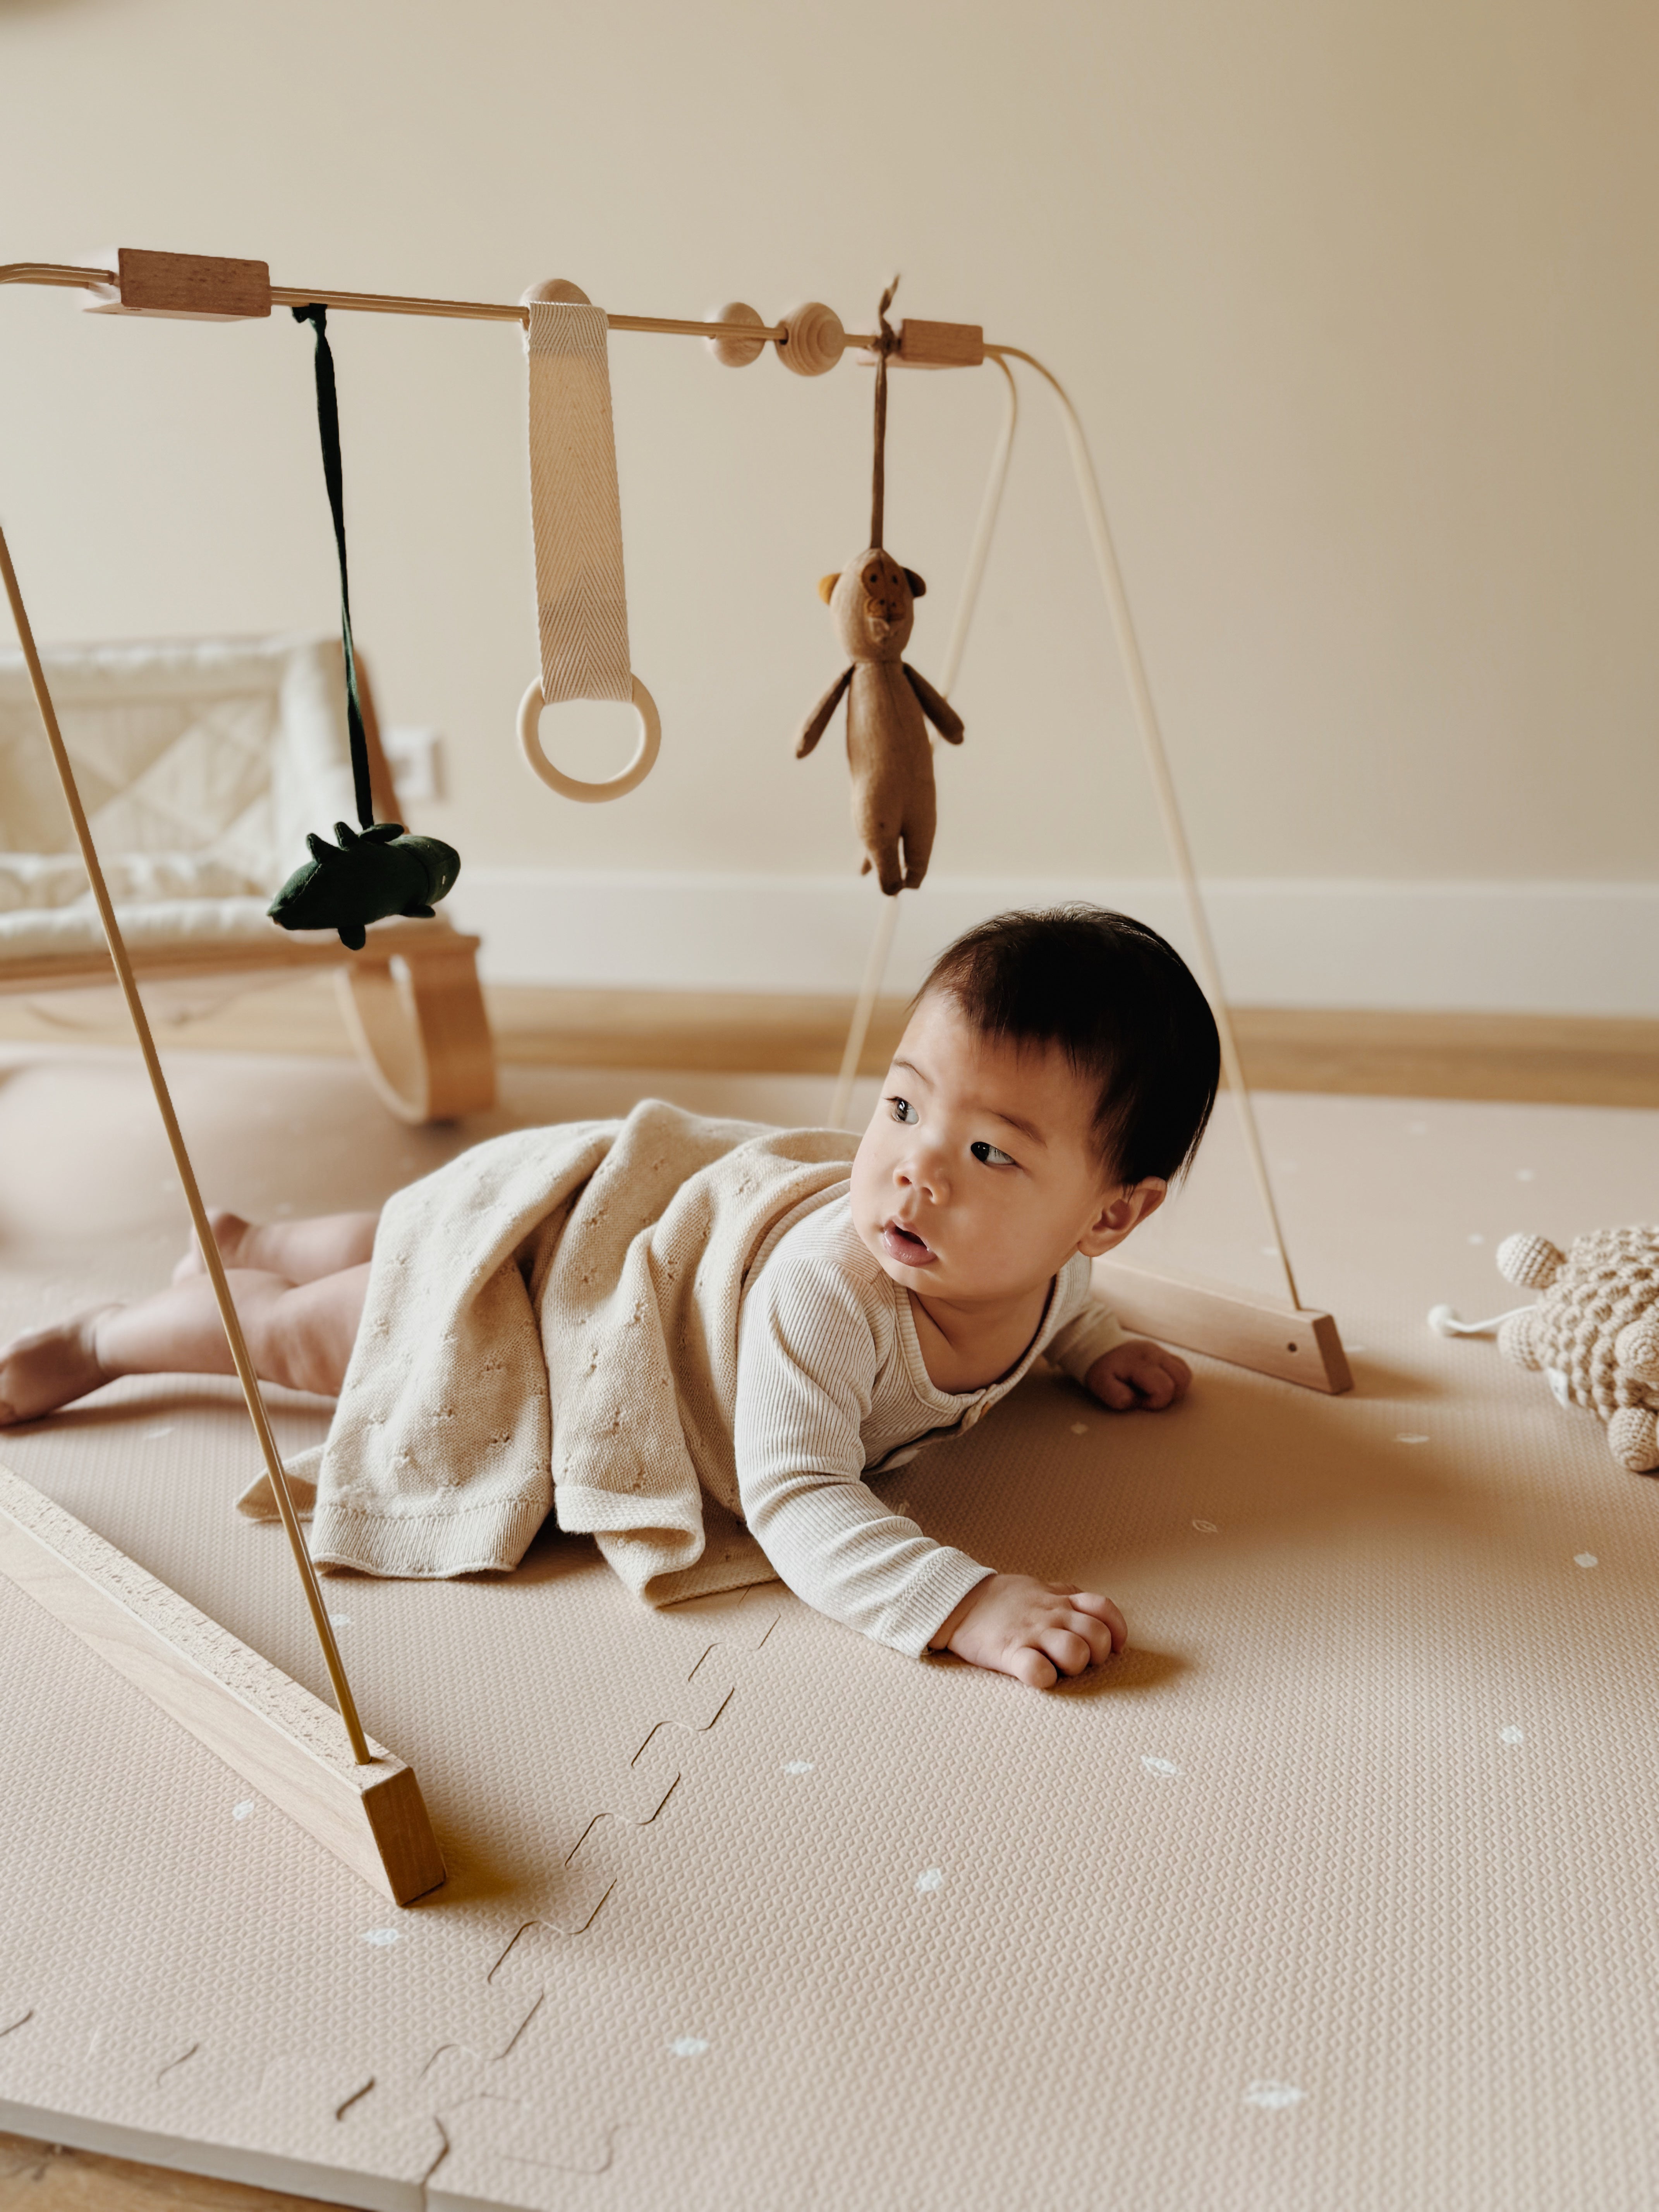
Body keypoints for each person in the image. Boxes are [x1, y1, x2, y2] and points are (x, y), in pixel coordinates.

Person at [0, 907, 1219, 1689]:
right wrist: (962, 1601)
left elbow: (1063, 1302)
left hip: (631, 1240)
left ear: (1107, 1215)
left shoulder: (1057, 1270)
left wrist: (1090, 1346)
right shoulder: (828, 1295)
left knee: (415, 1237)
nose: (913, 1169)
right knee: (331, 1329)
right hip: (571, 1301)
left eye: (989, 1153)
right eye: (901, 1108)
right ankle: (113, 1337)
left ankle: (254, 1239)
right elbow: (798, 1496)